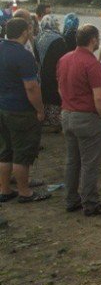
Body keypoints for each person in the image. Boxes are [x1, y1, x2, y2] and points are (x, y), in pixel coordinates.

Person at [56, 24, 101, 216]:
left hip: (67, 114)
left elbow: (60, 88)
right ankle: (90, 203)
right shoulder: (92, 64)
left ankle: (71, 199)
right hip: (86, 117)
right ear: (93, 40)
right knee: (90, 163)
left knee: (72, 161)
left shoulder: (64, 59)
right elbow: (99, 97)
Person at [0, 18, 47, 204]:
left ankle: (4, 189)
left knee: (5, 151)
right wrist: (40, 109)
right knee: (23, 152)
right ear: (24, 32)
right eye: (29, 30)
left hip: (2, 107)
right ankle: (24, 192)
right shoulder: (23, 55)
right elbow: (31, 88)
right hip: (20, 110)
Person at [37, 14, 69, 130]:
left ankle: (44, 119)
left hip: (41, 72)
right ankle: (54, 121)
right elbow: (63, 58)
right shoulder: (58, 39)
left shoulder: (39, 36)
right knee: (55, 95)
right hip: (54, 72)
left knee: (44, 94)